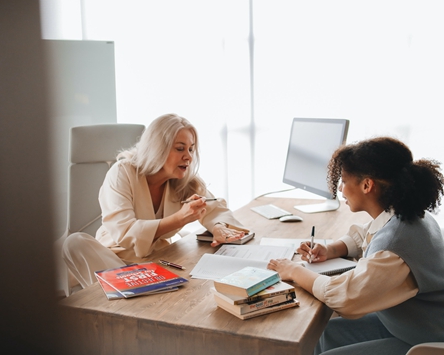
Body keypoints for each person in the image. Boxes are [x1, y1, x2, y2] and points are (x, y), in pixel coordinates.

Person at [267, 137, 444, 355]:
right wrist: (332, 249)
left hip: (425, 339)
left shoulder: (396, 248)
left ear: (367, 185)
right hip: (406, 323)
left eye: (343, 180)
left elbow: (345, 297)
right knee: (324, 333)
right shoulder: (407, 215)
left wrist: (294, 270)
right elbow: (367, 234)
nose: (340, 189)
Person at [63, 114, 248, 288]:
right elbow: (125, 233)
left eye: (191, 149)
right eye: (180, 148)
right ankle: (128, 293)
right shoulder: (122, 173)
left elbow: (214, 208)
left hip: (156, 261)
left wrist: (218, 227)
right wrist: (179, 219)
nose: (189, 156)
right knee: (75, 242)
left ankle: (135, 294)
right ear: (158, 147)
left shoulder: (186, 182)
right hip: (113, 259)